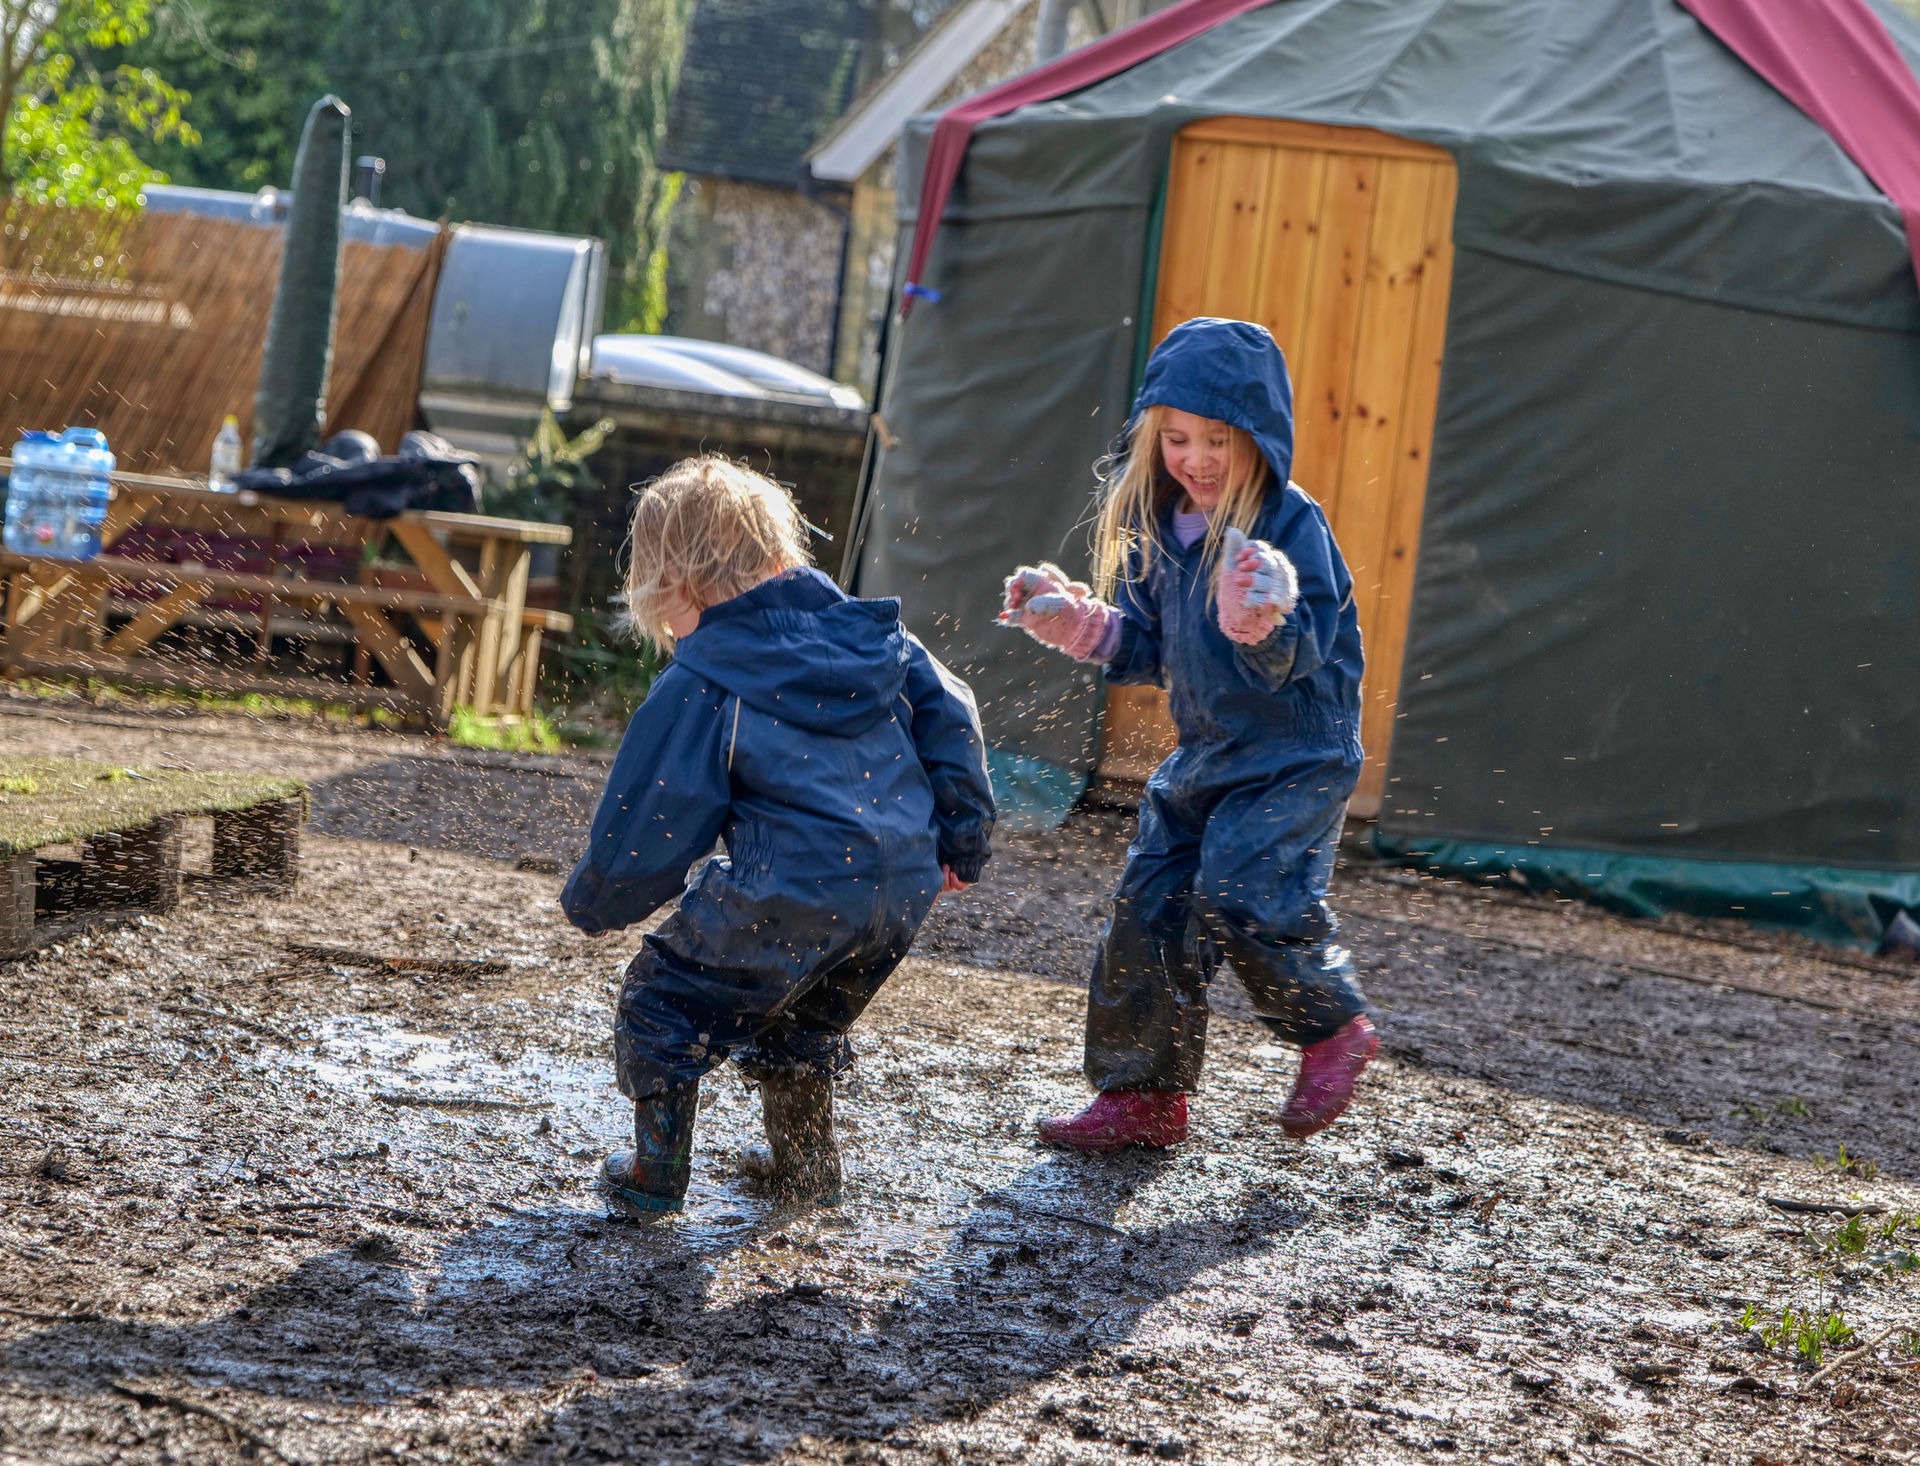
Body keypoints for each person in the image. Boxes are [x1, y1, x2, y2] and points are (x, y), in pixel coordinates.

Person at [563, 456, 995, 1214]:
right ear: (779, 552)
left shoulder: (707, 678)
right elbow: (953, 719)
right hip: (899, 891)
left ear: (678, 584)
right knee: (800, 1022)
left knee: (661, 1002)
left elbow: (653, 809)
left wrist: (601, 899)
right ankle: (806, 1169)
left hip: (792, 885)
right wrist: (962, 841)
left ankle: (654, 1175)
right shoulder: (878, 637)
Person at [1001, 317, 1377, 1152]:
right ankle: (1143, 1095)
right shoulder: (1161, 525)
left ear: (1259, 442)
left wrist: (1262, 612)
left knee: (1244, 889)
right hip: (1206, 751)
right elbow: (1145, 647)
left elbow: (1299, 650)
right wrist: (1072, 621)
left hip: (1295, 755)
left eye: (1217, 440)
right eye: (1176, 438)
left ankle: (1331, 1026)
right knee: (1149, 909)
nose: (1197, 459)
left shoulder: (1288, 527)